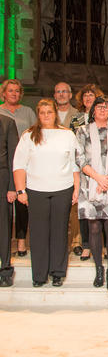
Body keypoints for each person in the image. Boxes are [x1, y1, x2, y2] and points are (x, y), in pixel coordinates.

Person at [13, 99, 80, 287]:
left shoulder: (67, 135)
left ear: (55, 113)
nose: (45, 116)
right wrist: (20, 190)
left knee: (59, 232)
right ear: (38, 114)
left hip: (63, 189)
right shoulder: (28, 136)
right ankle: (39, 275)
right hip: (36, 190)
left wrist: (76, 188)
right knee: (38, 233)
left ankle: (57, 272)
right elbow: (19, 165)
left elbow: (75, 164)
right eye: (42, 112)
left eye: (49, 112)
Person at [76, 96, 108, 292]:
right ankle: (99, 269)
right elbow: (79, 159)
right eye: (99, 107)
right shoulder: (82, 131)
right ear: (93, 111)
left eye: (106, 106)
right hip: (90, 184)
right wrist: (98, 178)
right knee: (94, 228)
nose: (102, 109)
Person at [0, 79, 36, 256]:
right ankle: (5, 243)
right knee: (4, 206)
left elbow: (36, 134)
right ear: (3, 93)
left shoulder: (28, 112)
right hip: (4, 164)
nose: (14, 94)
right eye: (10, 91)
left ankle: (21, 242)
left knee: (22, 204)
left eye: (17, 91)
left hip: (24, 164)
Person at [70, 84, 105, 261]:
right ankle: (86, 245)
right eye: (85, 96)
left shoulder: (105, 117)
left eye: (92, 95)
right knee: (84, 209)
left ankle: (103, 245)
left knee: (103, 207)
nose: (88, 98)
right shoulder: (76, 119)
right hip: (83, 169)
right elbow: (72, 144)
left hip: (102, 170)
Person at [0, 114, 18, 287]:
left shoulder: (7, 123)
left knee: (3, 226)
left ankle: (5, 269)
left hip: (3, 181)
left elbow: (14, 157)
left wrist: (13, 186)